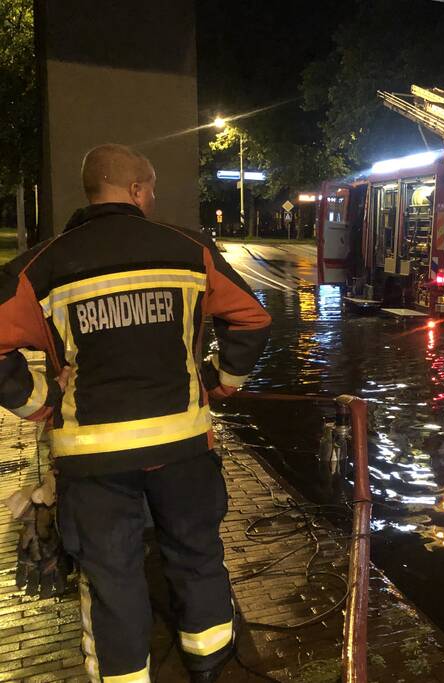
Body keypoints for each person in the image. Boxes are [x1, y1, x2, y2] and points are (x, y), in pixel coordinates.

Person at [0, 144, 271, 682]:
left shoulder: (41, 266)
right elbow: (252, 320)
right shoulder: (189, 250)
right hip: (184, 448)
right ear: (137, 190)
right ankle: (211, 661)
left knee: (112, 576)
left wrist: (41, 402)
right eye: (151, 189)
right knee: (196, 555)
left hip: (92, 461)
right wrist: (220, 381)